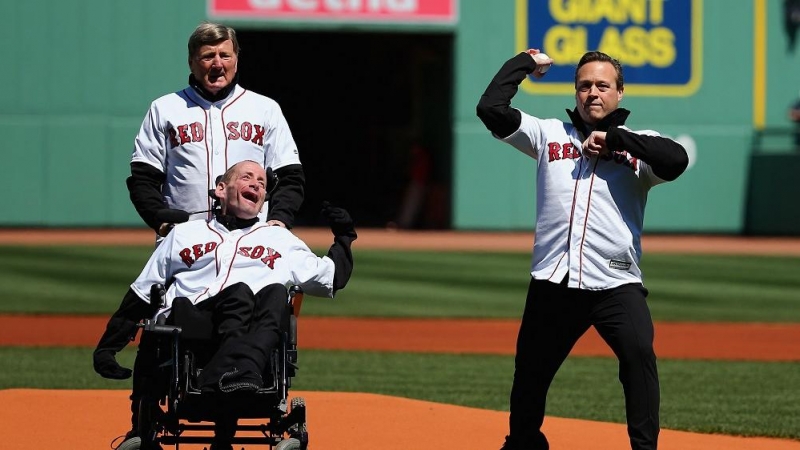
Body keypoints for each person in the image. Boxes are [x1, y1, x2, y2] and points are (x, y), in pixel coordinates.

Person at [476, 49, 689, 450]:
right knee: (530, 376)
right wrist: (523, 62)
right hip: (554, 283)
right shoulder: (548, 135)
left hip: (615, 283)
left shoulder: (640, 147)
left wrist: (616, 140)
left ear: (620, 93)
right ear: (575, 92)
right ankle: (524, 443)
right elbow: (491, 108)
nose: (593, 92)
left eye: (602, 85)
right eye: (584, 85)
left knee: (639, 355)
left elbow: (676, 160)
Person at [93, 160, 356, 450]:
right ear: (220, 189)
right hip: (192, 326)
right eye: (247, 177)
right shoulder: (184, 234)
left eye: (262, 183)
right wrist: (109, 346)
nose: (257, 184)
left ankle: (230, 381)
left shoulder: (279, 239)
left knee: (274, 296)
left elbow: (330, 278)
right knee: (240, 292)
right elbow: (143, 291)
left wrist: (344, 236)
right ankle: (228, 376)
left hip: (253, 333)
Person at [127, 22, 305, 239]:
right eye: (208, 56)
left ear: (236, 61)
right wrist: (161, 221)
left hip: (252, 241)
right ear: (191, 62)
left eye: (225, 55)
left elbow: (289, 176)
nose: (218, 64)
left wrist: (279, 220)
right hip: (184, 240)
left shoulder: (265, 109)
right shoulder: (165, 109)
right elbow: (143, 179)